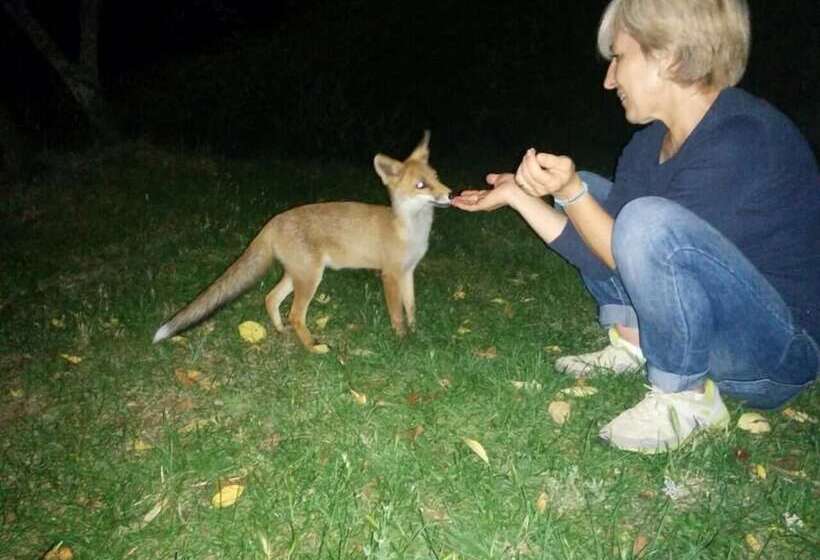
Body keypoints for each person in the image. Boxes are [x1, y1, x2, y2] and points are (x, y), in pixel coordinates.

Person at [452, 0, 819, 454]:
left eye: (619, 58)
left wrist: (569, 193)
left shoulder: (744, 138)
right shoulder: (647, 147)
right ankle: (634, 342)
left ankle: (683, 399)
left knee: (637, 217)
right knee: (597, 194)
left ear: (668, 57)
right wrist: (519, 197)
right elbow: (599, 249)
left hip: (775, 355)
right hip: (716, 330)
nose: (609, 79)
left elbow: (637, 243)